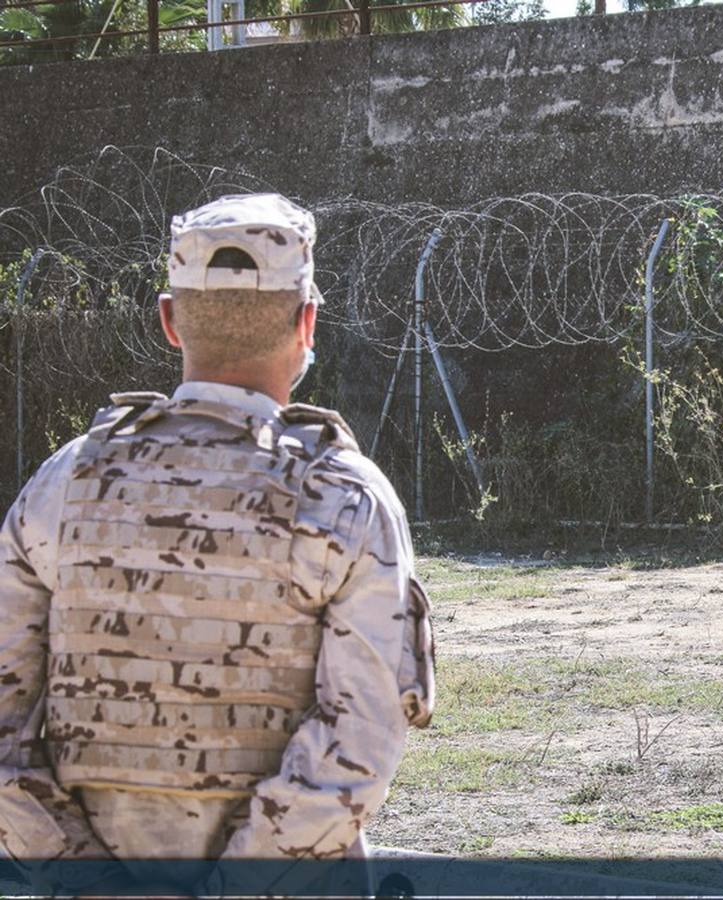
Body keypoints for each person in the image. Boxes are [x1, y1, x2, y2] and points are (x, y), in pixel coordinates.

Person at [0, 194, 435, 893]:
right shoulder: (341, 497)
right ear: (307, 321)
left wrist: (87, 882)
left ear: (170, 320)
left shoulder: (65, 484)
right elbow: (355, 751)